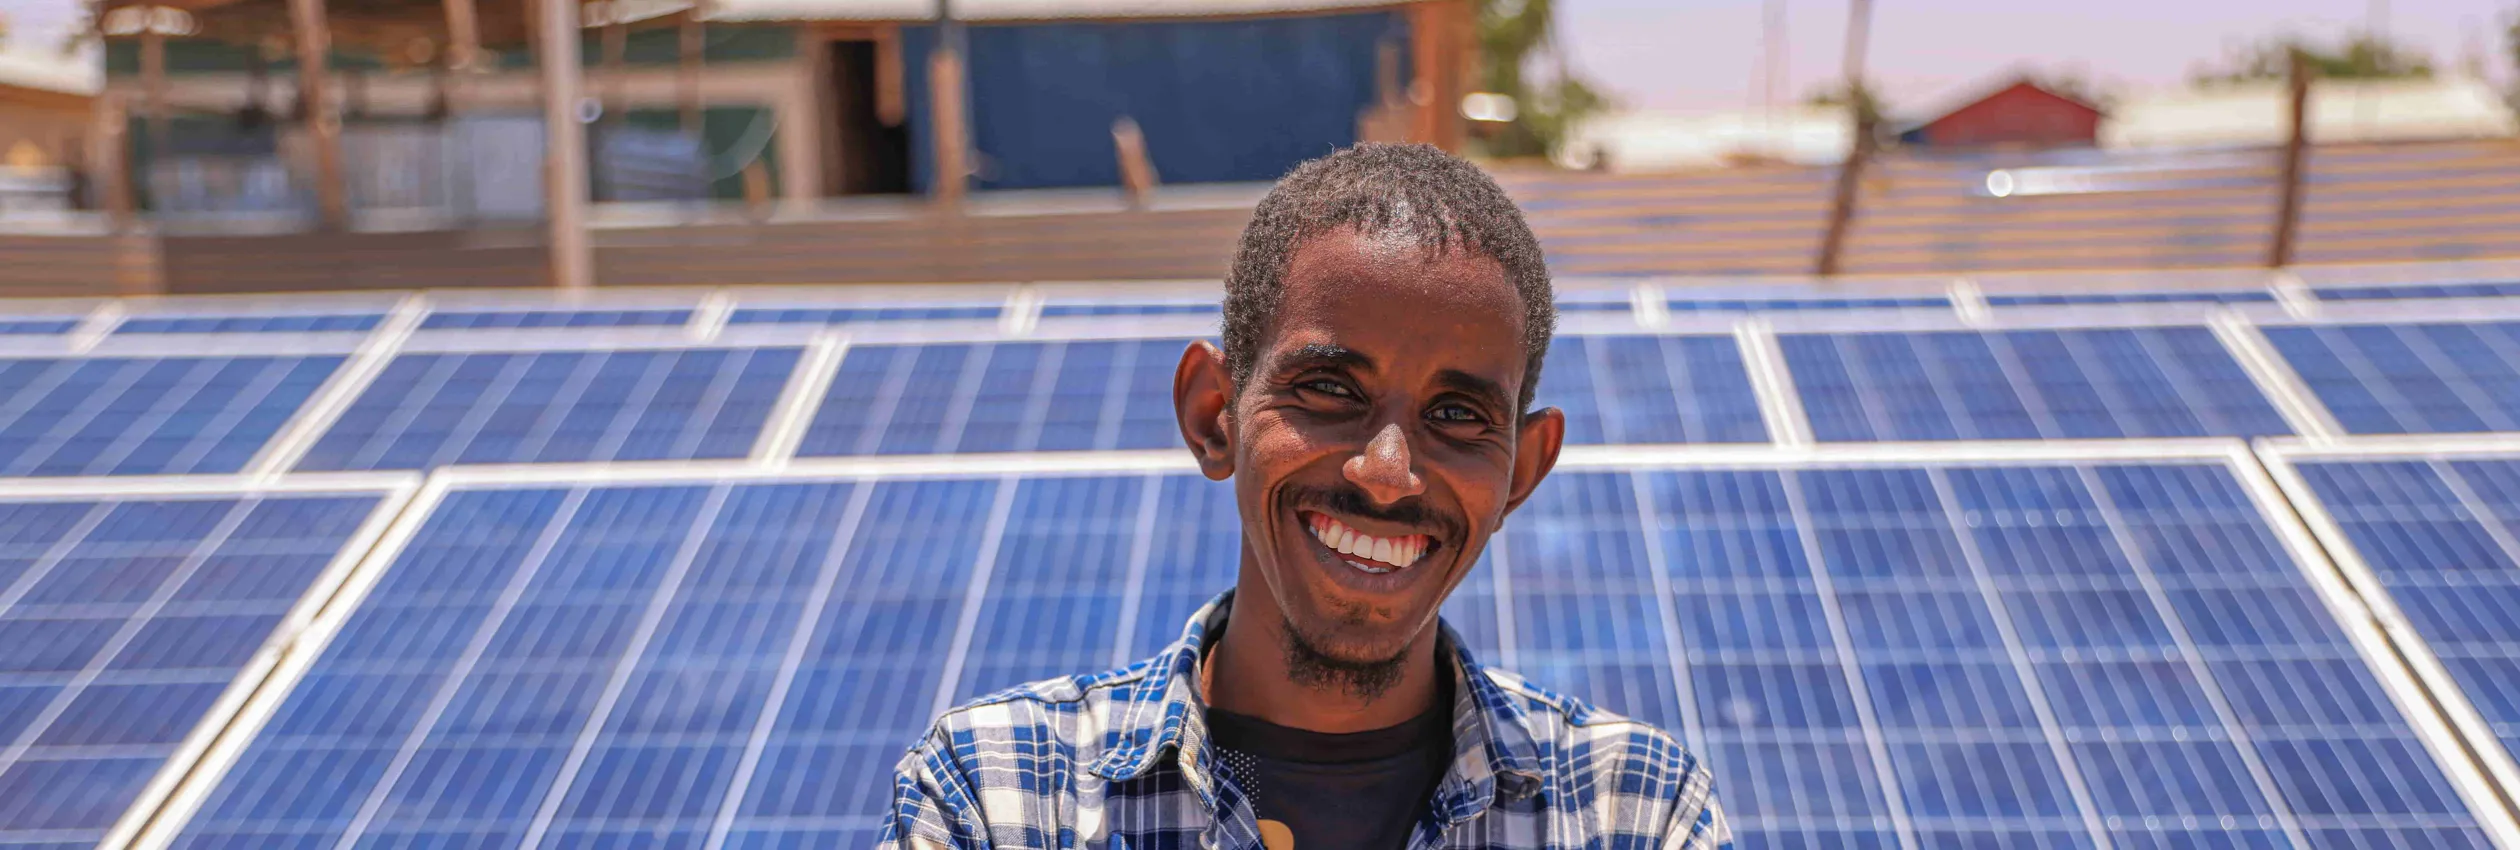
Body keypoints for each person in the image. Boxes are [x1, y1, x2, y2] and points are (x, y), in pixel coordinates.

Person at [883, 143, 1729, 850]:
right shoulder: (1001, 800)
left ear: (1522, 471)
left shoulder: (1633, 813)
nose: (1388, 469)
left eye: (1458, 414)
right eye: (1328, 389)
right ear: (1213, 415)